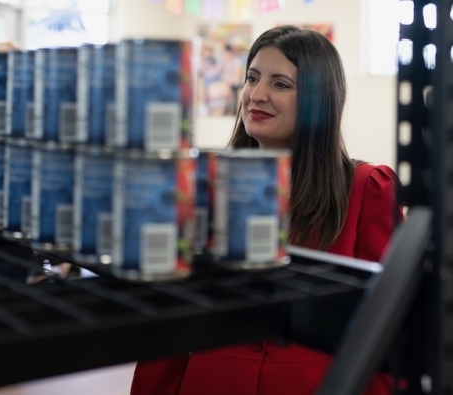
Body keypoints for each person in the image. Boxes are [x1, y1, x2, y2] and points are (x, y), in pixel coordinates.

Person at [131, 26, 400, 395]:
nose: (256, 95)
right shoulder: (205, 183)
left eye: (280, 84)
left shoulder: (367, 188)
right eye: (252, 78)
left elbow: (387, 326)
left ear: (317, 99)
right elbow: (170, 315)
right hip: (210, 381)